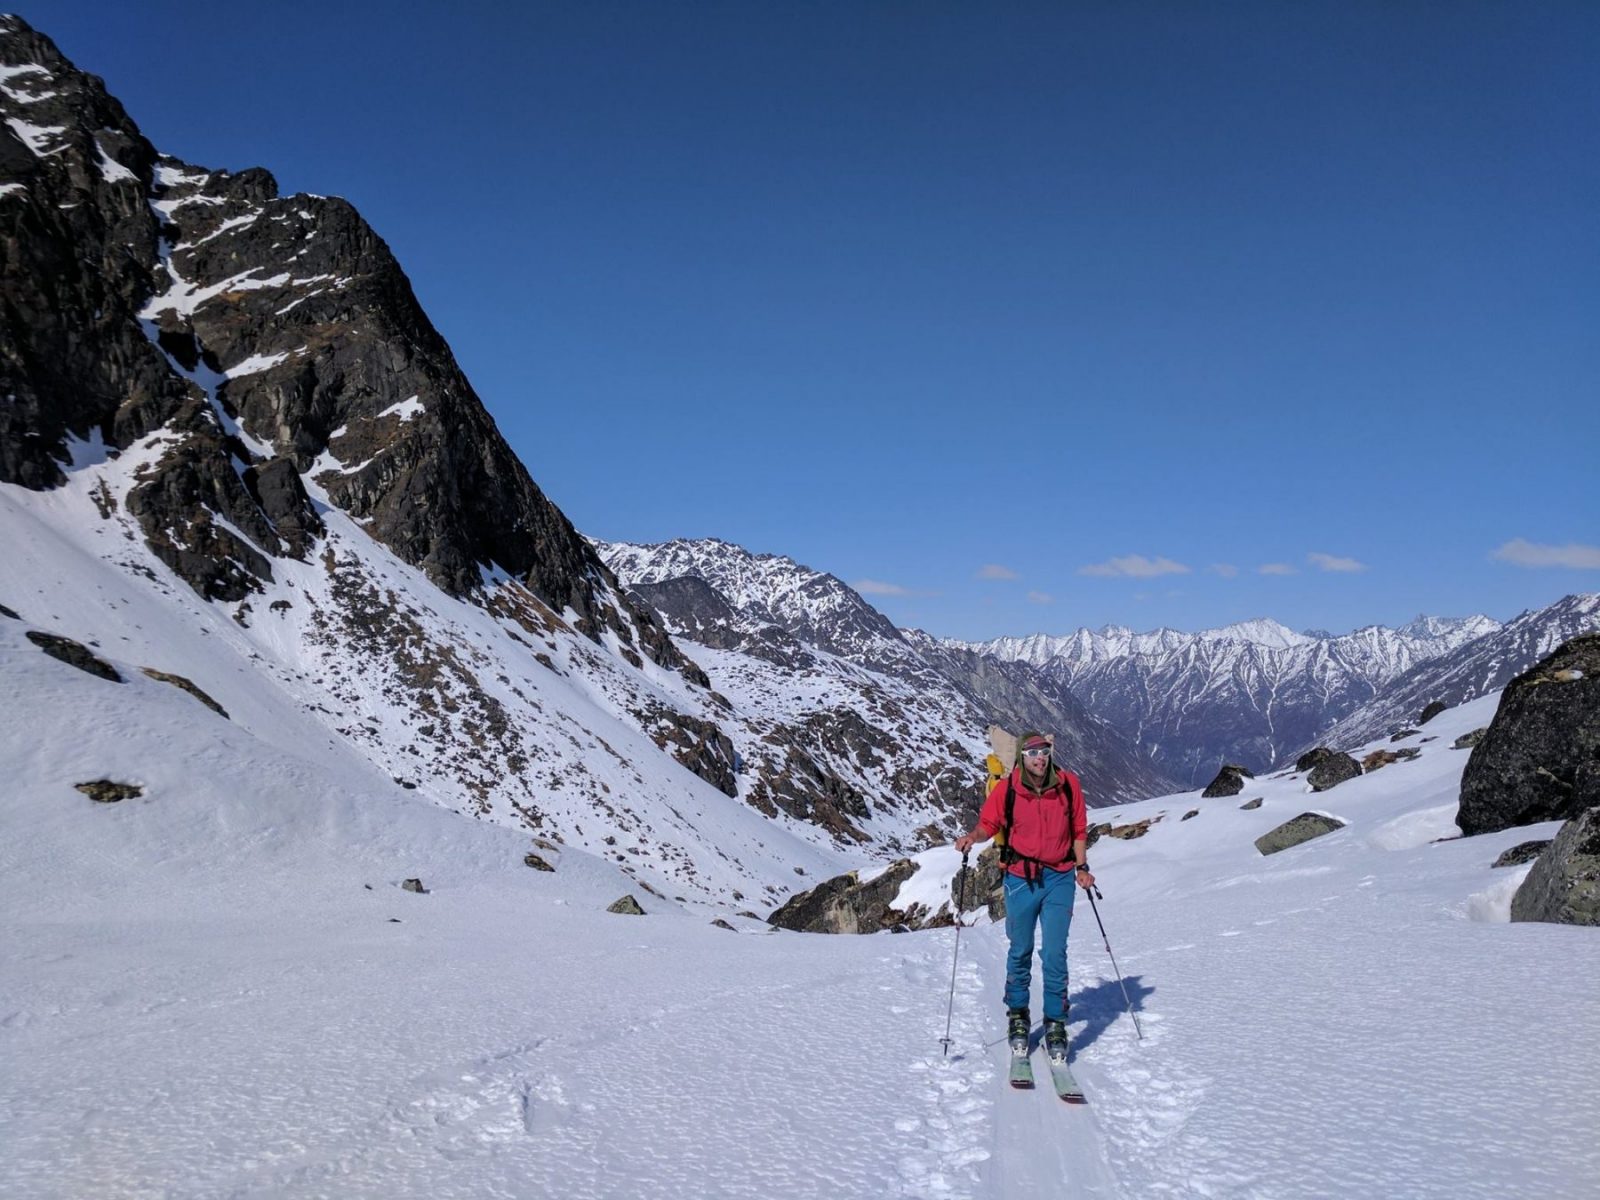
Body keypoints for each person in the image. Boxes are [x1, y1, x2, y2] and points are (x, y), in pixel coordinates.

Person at [954, 731, 1094, 1062]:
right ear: (1021, 757)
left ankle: (1056, 1021)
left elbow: (1078, 830)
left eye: (1044, 751)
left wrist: (1082, 866)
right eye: (1032, 752)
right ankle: (1018, 1014)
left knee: (1055, 952)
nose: (1039, 757)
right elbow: (989, 823)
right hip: (1020, 878)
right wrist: (972, 837)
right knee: (1020, 950)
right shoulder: (1008, 789)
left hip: (1060, 876)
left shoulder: (1068, 784)